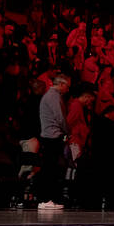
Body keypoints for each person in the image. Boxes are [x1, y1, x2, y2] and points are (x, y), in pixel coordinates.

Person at [37, 74, 70, 210]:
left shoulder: (50, 96)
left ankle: (47, 199)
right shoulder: (54, 97)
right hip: (52, 136)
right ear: (61, 84)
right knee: (50, 169)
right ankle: (46, 199)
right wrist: (68, 130)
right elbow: (60, 117)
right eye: (67, 86)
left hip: (49, 135)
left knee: (50, 168)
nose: (68, 90)